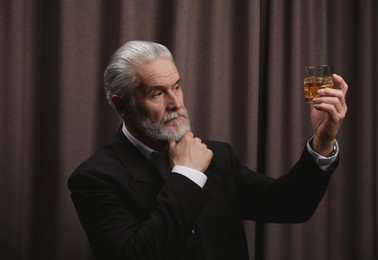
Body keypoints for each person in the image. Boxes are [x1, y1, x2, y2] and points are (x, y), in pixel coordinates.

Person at [68, 40, 348, 260]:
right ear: (121, 106)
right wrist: (187, 175)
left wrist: (322, 142)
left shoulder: (219, 157)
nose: (176, 102)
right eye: (157, 93)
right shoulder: (95, 178)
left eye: (176, 86)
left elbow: (291, 206)